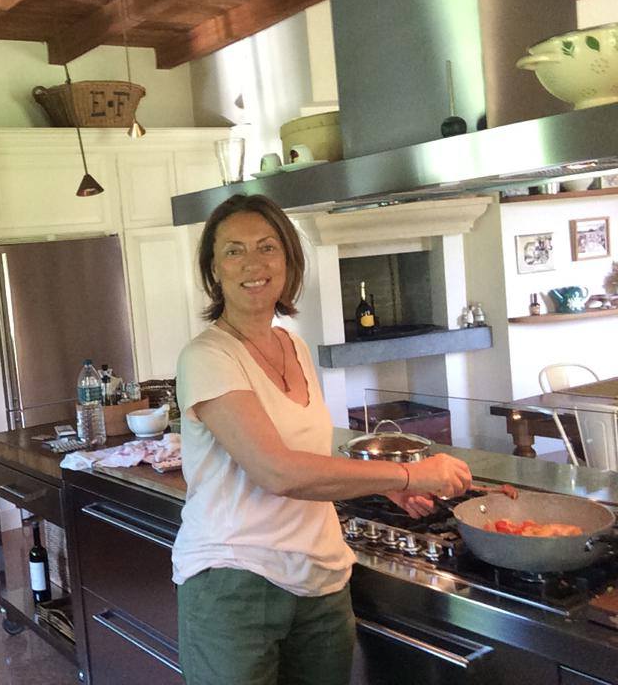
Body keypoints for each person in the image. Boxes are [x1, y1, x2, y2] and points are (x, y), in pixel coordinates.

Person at [173, 194, 472, 685]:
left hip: (322, 579)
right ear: (214, 269)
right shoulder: (207, 357)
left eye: (267, 247)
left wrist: (384, 485)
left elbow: (307, 453)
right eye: (234, 251)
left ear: (288, 261)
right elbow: (277, 471)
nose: (253, 263)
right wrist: (408, 473)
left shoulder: (293, 345)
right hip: (235, 581)